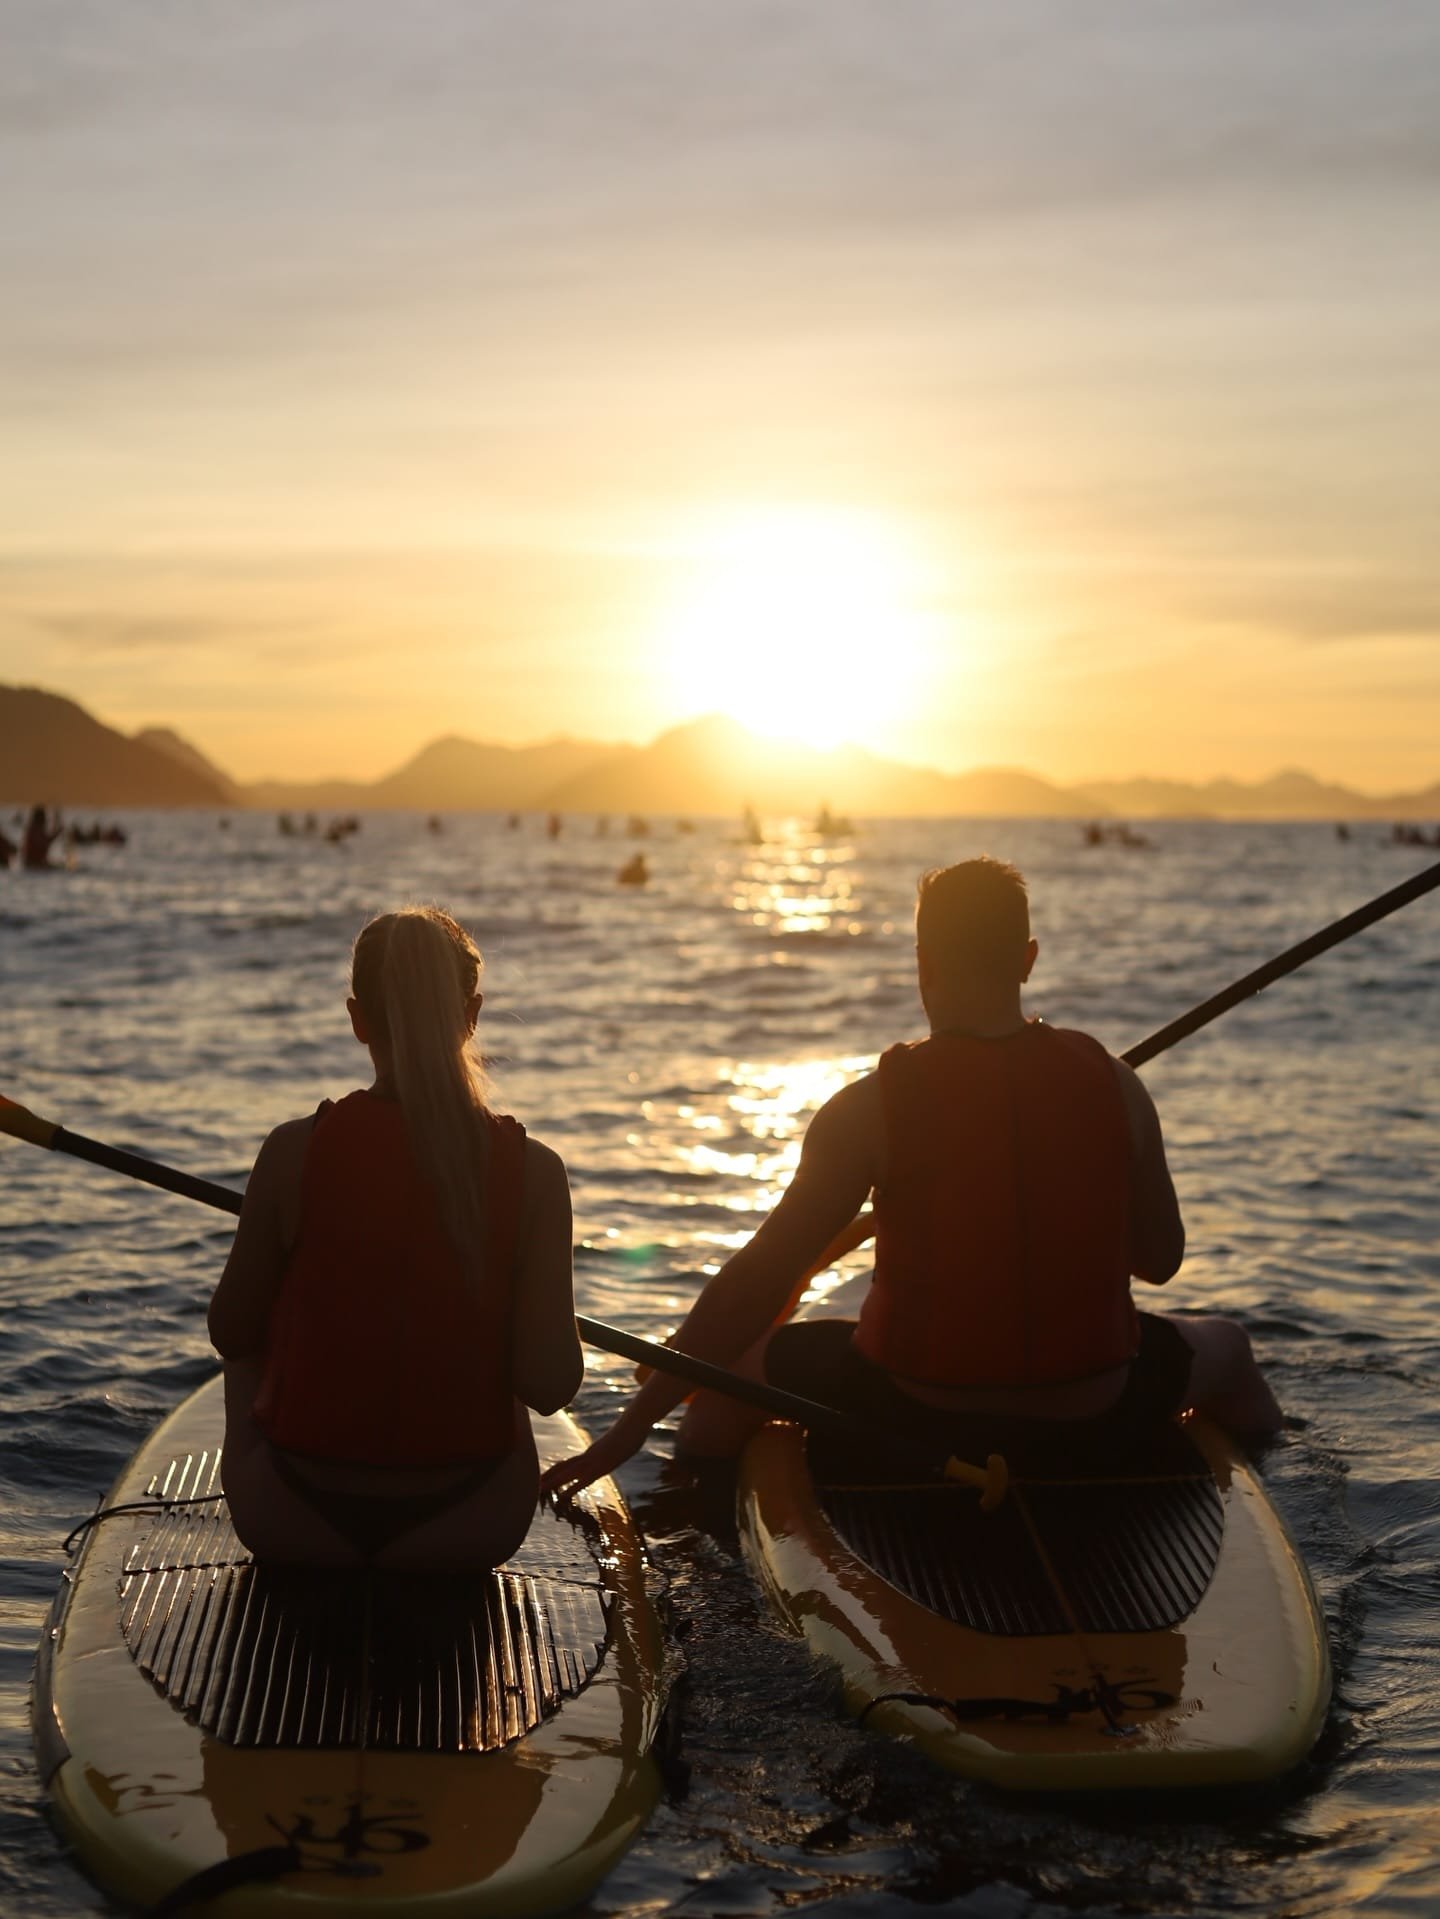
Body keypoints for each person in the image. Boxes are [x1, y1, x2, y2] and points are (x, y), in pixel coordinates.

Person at [542, 857, 1280, 1499]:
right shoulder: (1116, 1085)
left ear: (923, 962)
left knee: (726, 1381)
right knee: (1230, 1349)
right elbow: (1162, 1261)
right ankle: (1256, 1484)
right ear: (1027, 959)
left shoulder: (868, 1110)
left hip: (915, 1412)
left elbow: (755, 1284)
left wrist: (630, 1431)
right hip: (1098, 1404)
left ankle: (698, 1528)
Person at [209, 905, 583, 1568]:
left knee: (248, 1337)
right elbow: (550, 1382)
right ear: (472, 1013)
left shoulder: (295, 1150)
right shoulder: (536, 1172)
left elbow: (231, 1332)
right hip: (469, 1521)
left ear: (357, 1019)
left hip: (294, 1514)